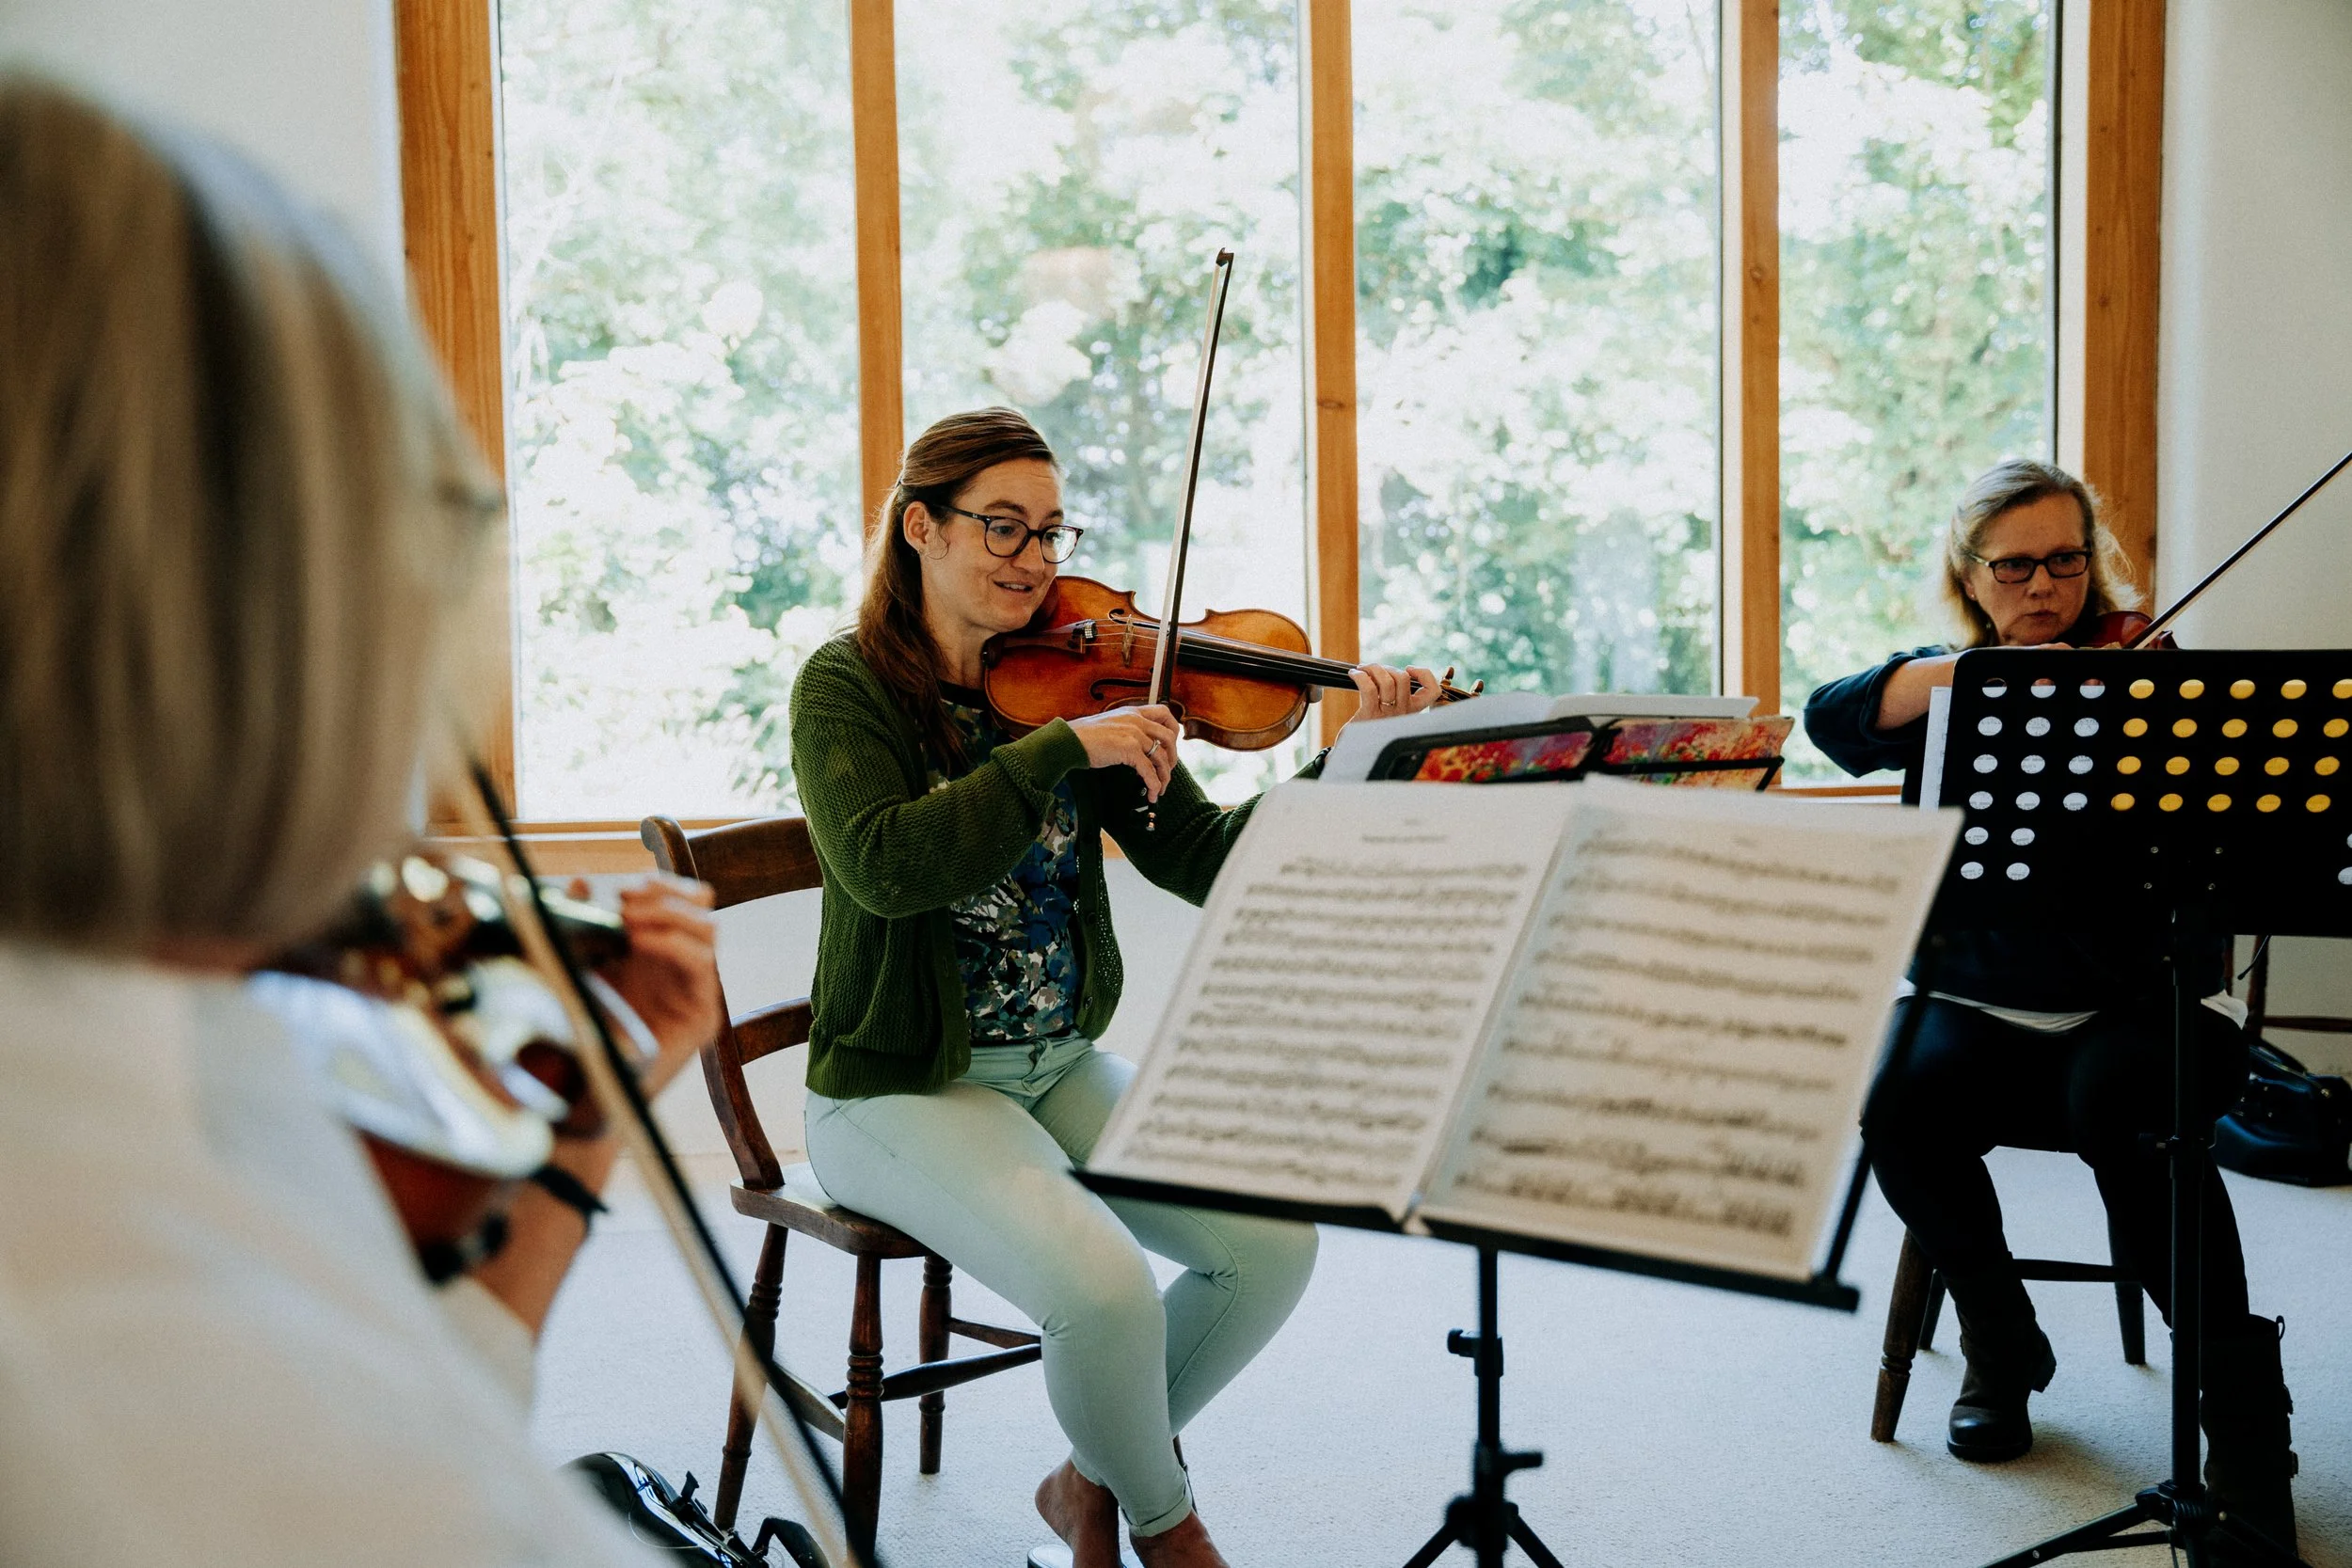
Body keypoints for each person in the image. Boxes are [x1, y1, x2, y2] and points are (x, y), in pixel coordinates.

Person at [0, 78, 721, 1566]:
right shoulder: (130, 1336)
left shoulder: (185, 1050)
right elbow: (372, 1467)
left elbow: (421, 1393)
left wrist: (592, 1121)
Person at [788, 406, 1441, 1568]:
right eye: (1001, 525)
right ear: (920, 528)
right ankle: (1164, 1523)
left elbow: (1203, 858)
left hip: (1055, 1064)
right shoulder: (848, 685)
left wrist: (1358, 762)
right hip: (897, 1088)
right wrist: (1060, 751)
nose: (1034, 558)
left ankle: (1085, 1480)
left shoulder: (1083, 680)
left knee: (1271, 1243)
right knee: (1104, 1290)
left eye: (1048, 529)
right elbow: (887, 867)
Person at [1804, 459, 2296, 1559]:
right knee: (1894, 1104)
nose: (2043, 584)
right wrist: (1979, 675)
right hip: (1974, 998)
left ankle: (2247, 1435)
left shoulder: (2147, 674)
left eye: (2064, 559)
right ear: (1971, 577)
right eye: (2015, 565)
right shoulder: (1947, 687)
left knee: (2136, 1118)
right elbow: (1829, 717)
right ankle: (2001, 1336)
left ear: (2094, 562)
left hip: (2129, 1004)